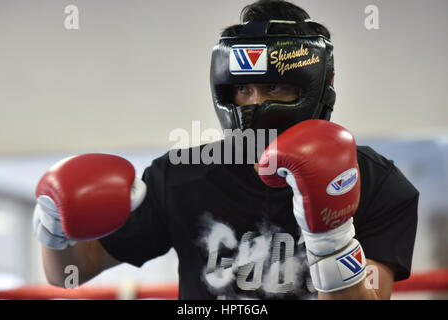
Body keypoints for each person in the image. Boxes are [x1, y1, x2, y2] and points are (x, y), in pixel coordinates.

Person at [33, 0, 418, 300]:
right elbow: (72, 273)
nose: (255, 104)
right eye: (243, 90)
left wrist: (332, 238)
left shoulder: (373, 181)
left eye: (275, 89)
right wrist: (53, 228)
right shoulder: (181, 175)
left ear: (317, 87)